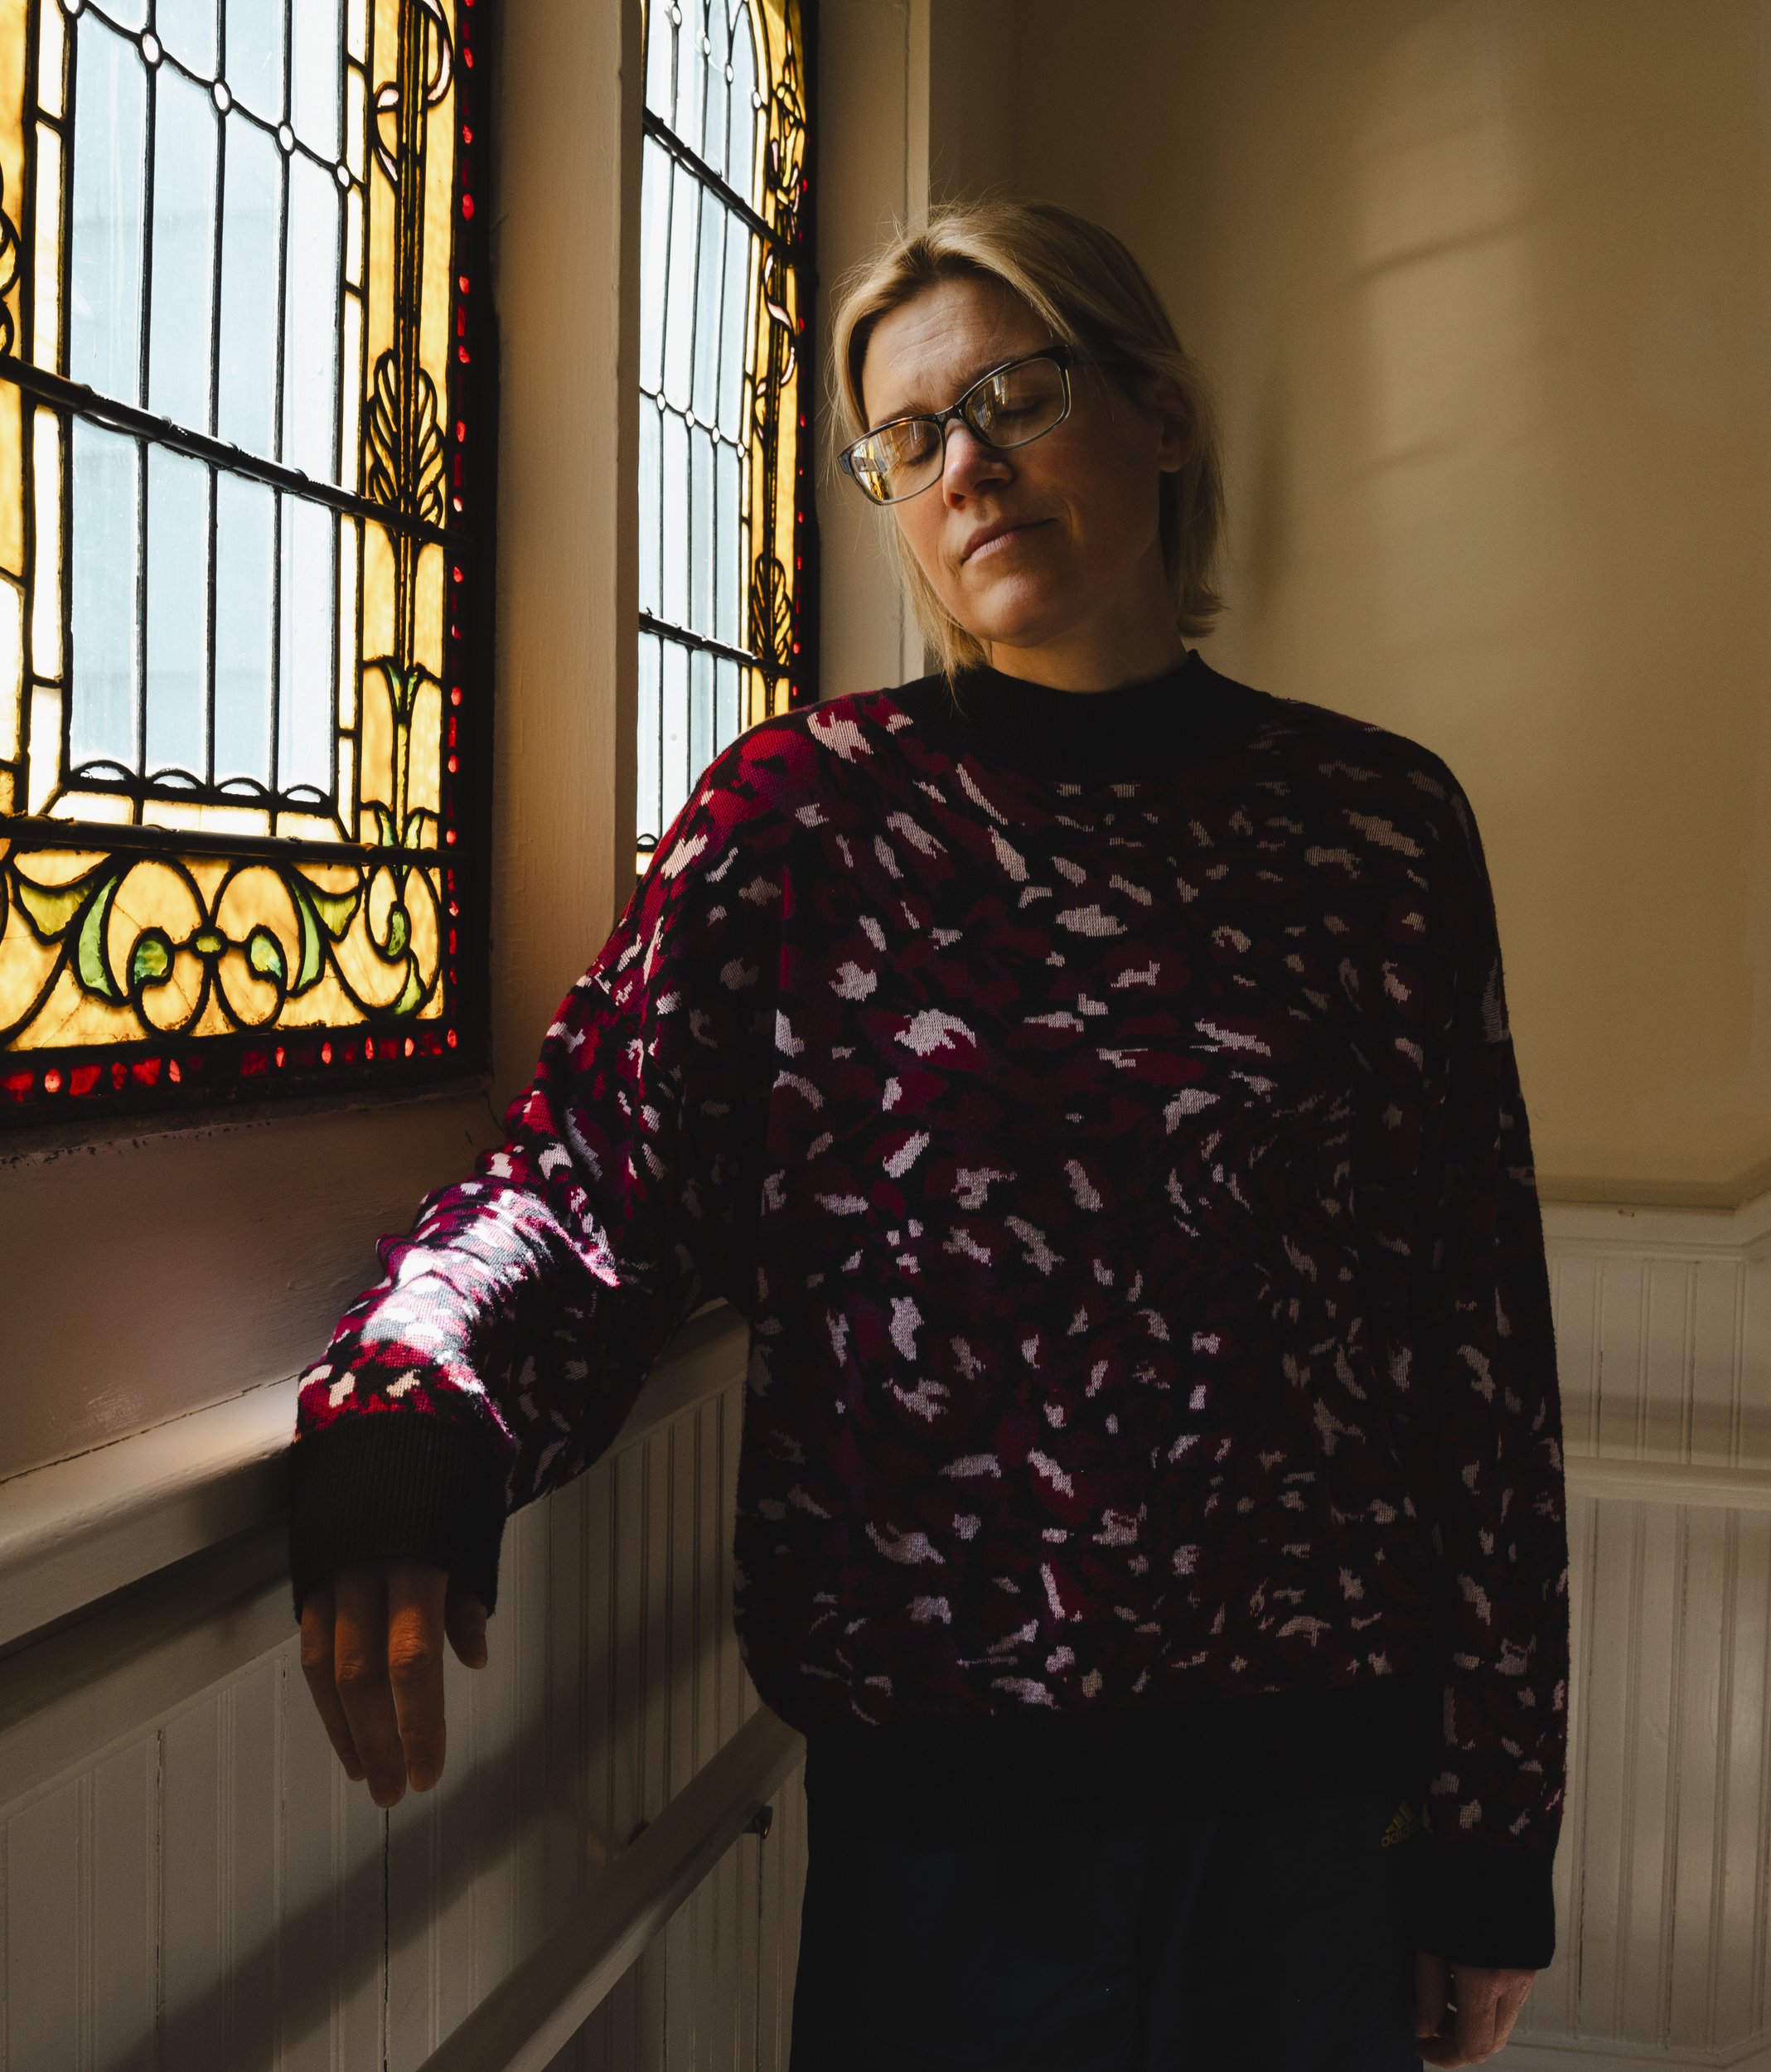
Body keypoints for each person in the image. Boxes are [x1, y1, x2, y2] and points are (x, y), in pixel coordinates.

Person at [291, 199, 1569, 2070]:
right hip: (944, 1843)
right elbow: (583, 1182)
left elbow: (1477, 1347)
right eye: (905, 438)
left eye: (1011, 394)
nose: (962, 463)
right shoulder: (801, 820)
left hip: (1311, 1822)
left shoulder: (1375, 830)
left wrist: (1493, 1835)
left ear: (1160, 416)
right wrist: (406, 1407)